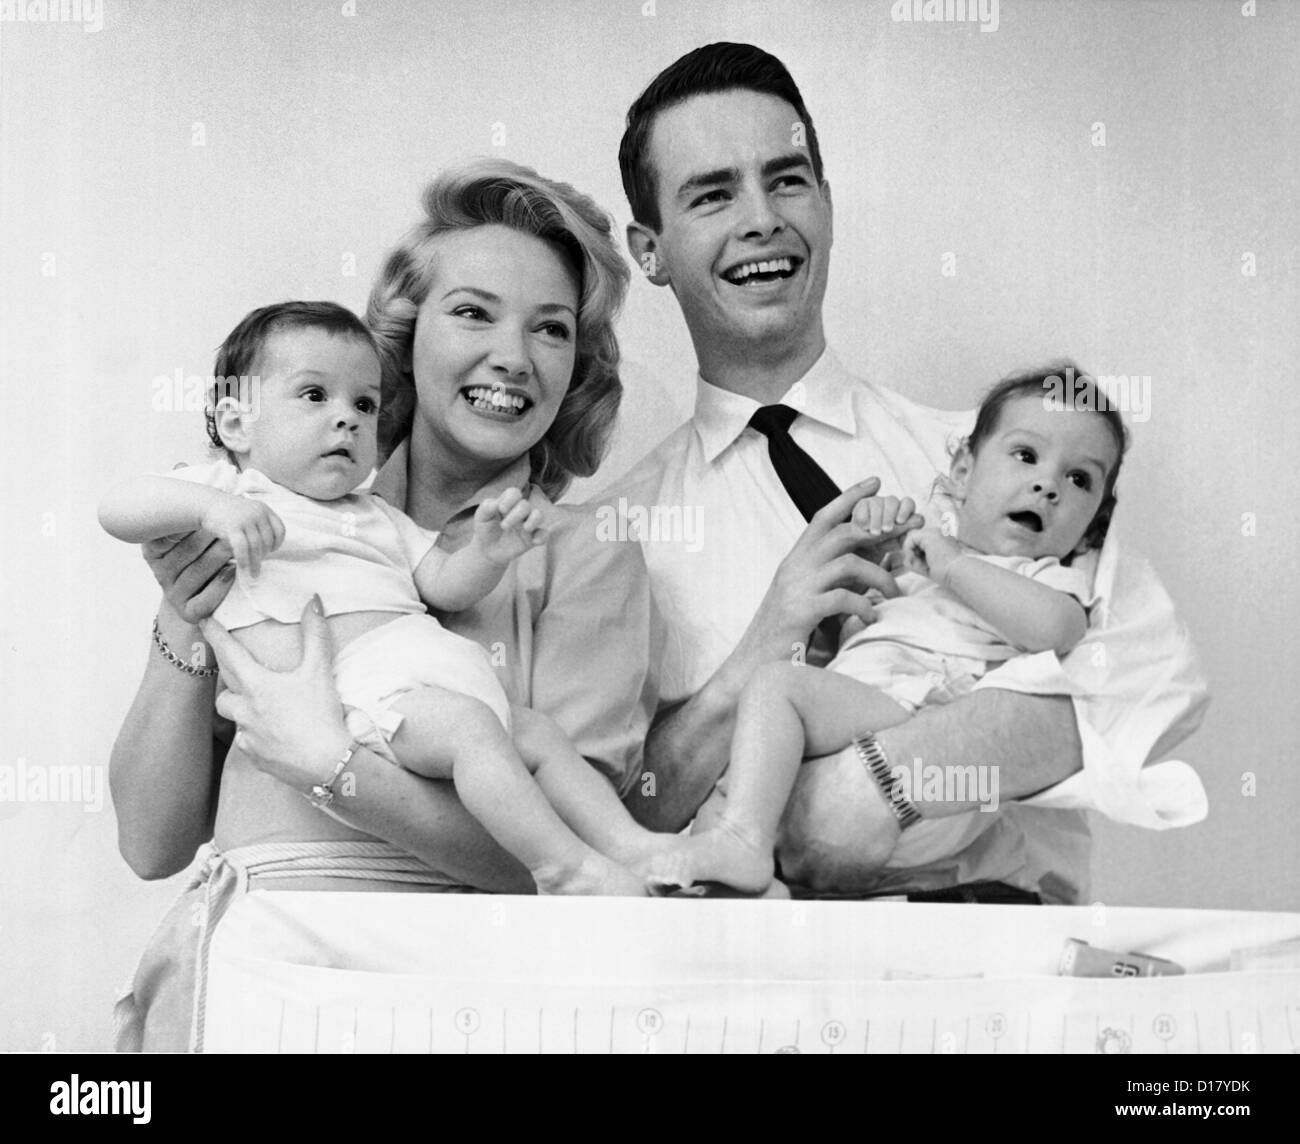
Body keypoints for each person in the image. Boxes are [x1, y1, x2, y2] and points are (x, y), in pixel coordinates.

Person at [604, 42, 1208, 903]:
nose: (762, 218)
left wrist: (888, 777)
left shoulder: (1002, 460)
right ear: (650, 250)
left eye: (788, 179)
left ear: (827, 202)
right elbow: (617, 822)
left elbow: (1153, 670)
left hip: (995, 978)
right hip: (736, 988)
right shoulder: (614, 535)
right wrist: (750, 667)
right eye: (712, 194)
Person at [111, 159, 655, 1050]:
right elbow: (150, 843)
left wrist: (335, 767)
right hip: (258, 972)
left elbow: (547, 867)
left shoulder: (585, 554)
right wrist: (184, 615)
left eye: (551, 330)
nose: (512, 357)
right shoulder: (266, 516)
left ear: (576, 367)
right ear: (404, 333)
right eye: (473, 311)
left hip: (459, 1000)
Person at [101, 301, 679, 898]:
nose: (347, 420)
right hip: (362, 694)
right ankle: (563, 866)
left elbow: (442, 583)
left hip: (406, 699)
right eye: (313, 396)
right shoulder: (233, 495)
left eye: (363, 405)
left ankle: (631, 848)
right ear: (238, 424)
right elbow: (119, 507)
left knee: (534, 737)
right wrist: (209, 513)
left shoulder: (374, 516)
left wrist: (490, 551)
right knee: (474, 730)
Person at [648, 366, 1127, 895]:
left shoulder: (1042, 577)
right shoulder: (919, 566)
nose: (1048, 486)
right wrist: (874, 580)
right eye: (1026, 455)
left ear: (1093, 524)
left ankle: (743, 843)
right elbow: (871, 638)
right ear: (964, 470)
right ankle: (743, 872)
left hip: (915, 725)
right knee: (733, 786)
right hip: (860, 723)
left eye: (1080, 479)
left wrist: (948, 564)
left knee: (775, 686)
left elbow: (1057, 629)